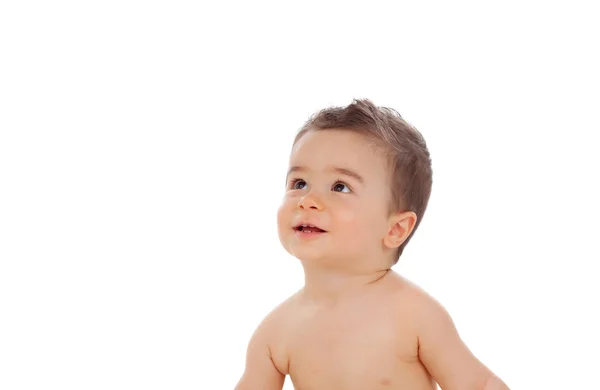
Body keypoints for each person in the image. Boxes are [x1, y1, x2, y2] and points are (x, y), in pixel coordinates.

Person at [234, 99, 509, 390]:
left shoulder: (412, 314)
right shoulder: (276, 332)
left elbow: (479, 383)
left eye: (340, 186)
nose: (308, 201)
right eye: (299, 183)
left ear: (395, 228)